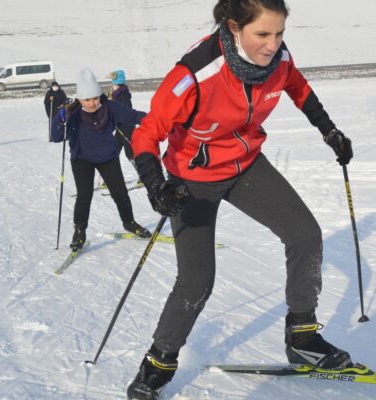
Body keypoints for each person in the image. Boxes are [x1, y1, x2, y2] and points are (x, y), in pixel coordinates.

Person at [126, 0, 354, 398]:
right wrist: (155, 184)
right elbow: (147, 133)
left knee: (305, 235)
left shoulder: (278, 59)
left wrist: (329, 130)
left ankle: (302, 337)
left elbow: (297, 86)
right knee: (197, 280)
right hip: (191, 180)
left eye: (280, 33)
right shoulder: (195, 74)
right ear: (234, 28)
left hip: (245, 164)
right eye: (262, 34)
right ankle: (158, 363)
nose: (273, 44)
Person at [50, 68, 153, 251]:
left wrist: (155, 120)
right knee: (85, 195)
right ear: (80, 99)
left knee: (120, 193)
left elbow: (133, 116)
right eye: (87, 99)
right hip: (82, 159)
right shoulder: (73, 113)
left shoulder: (110, 107)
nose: (92, 103)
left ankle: (129, 222)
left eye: (95, 98)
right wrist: (60, 121)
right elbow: (57, 137)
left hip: (108, 157)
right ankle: (79, 231)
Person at [107, 70, 137, 163]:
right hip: (120, 127)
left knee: (130, 153)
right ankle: (111, 173)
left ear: (116, 83)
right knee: (115, 150)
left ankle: (142, 173)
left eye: (113, 83)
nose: (112, 86)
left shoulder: (122, 95)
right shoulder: (117, 94)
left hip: (126, 128)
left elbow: (125, 112)